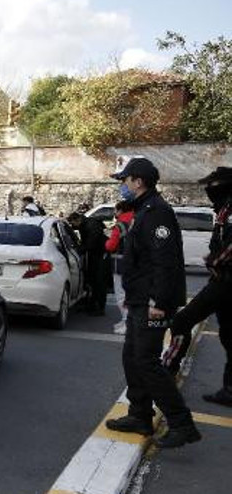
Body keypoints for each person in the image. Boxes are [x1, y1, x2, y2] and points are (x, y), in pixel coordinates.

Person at [105, 157, 200, 449]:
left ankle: (182, 424)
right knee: (132, 358)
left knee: (147, 362)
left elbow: (165, 261)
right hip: (140, 299)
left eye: (125, 179)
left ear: (138, 181)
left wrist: (158, 300)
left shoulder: (157, 212)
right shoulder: (144, 210)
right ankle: (140, 415)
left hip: (152, 301)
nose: (122, 185)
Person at [166, 167, 232, 407]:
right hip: (223, 281)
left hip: (225, 282)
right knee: (229, 335)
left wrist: (214, 260)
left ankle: (166, 374)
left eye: (212, 185)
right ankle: (229, 389)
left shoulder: (230, 207)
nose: (208, 190)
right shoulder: (224, 208)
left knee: (182, 321)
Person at [68, 212, 109, 316]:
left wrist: (78, 251)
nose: (73, 227)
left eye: (73, 223)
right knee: (92, 279)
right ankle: (91, 304)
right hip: (94, 254)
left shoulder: (91, 225)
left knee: (99, 281)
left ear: (77, 220)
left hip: (101, 254)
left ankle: (100, 308)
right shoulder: (84, 224)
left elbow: (90, 244)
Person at [105, 201, 135, 334]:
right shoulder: (138, 220)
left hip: (121, 264)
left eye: (116, 210)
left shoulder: (120, 225)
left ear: (121, 211)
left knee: (121, 294)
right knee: (133, 294)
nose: (114, 213)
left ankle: (127, 322)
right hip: (137, 264)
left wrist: (106, 241)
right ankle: (128, 321)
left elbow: (111, 246)